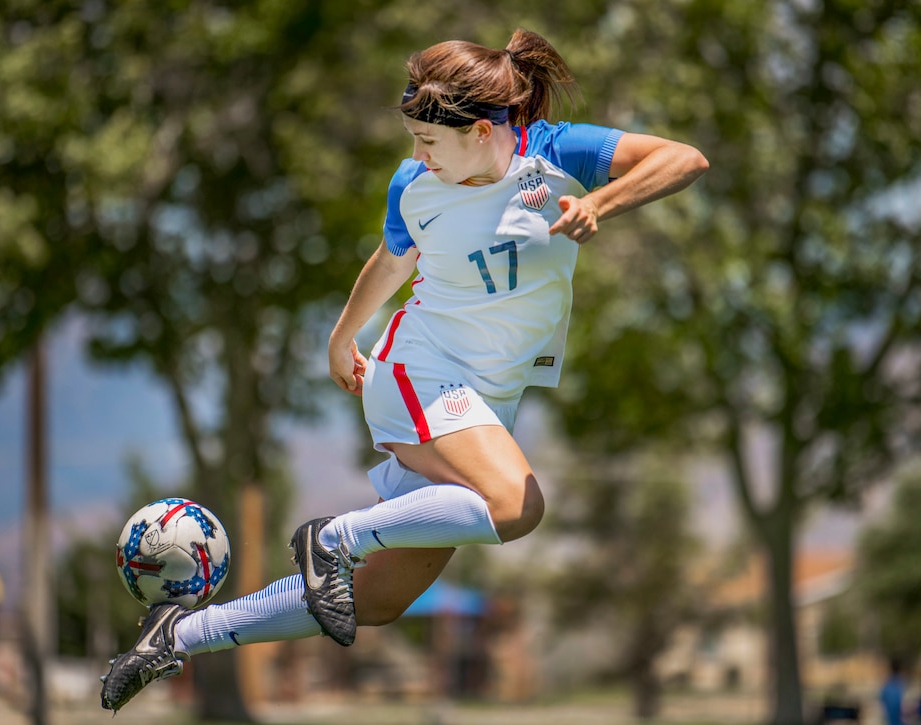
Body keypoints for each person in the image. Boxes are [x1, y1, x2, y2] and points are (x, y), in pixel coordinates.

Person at [100, 28, 708, 712]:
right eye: (414, 139)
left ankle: (176, 636)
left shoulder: (557, 153)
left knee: (376, 601)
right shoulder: (414, 184)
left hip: (484, 402)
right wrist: (341, 337)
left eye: (429, 141)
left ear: (482, 130)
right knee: (517, 504)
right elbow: (391, 261)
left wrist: (599, 202)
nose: (416, 155)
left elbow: (685, 158)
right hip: (419, 373)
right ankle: (333, 537)